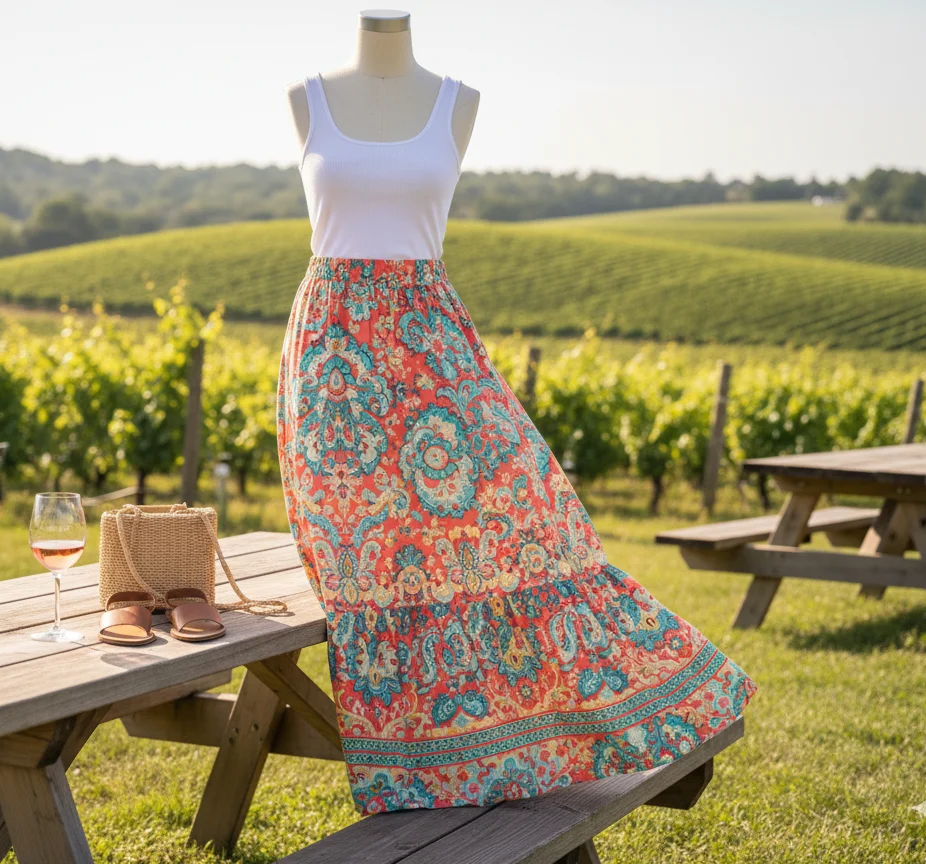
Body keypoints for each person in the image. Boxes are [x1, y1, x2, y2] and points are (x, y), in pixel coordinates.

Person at [277, 62, 756, 816]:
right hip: (337, 356)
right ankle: (417, 762)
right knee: (368, 564)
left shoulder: (454, 104)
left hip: (428, 336)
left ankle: (534, 732)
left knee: (523, 512)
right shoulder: (307, 101)